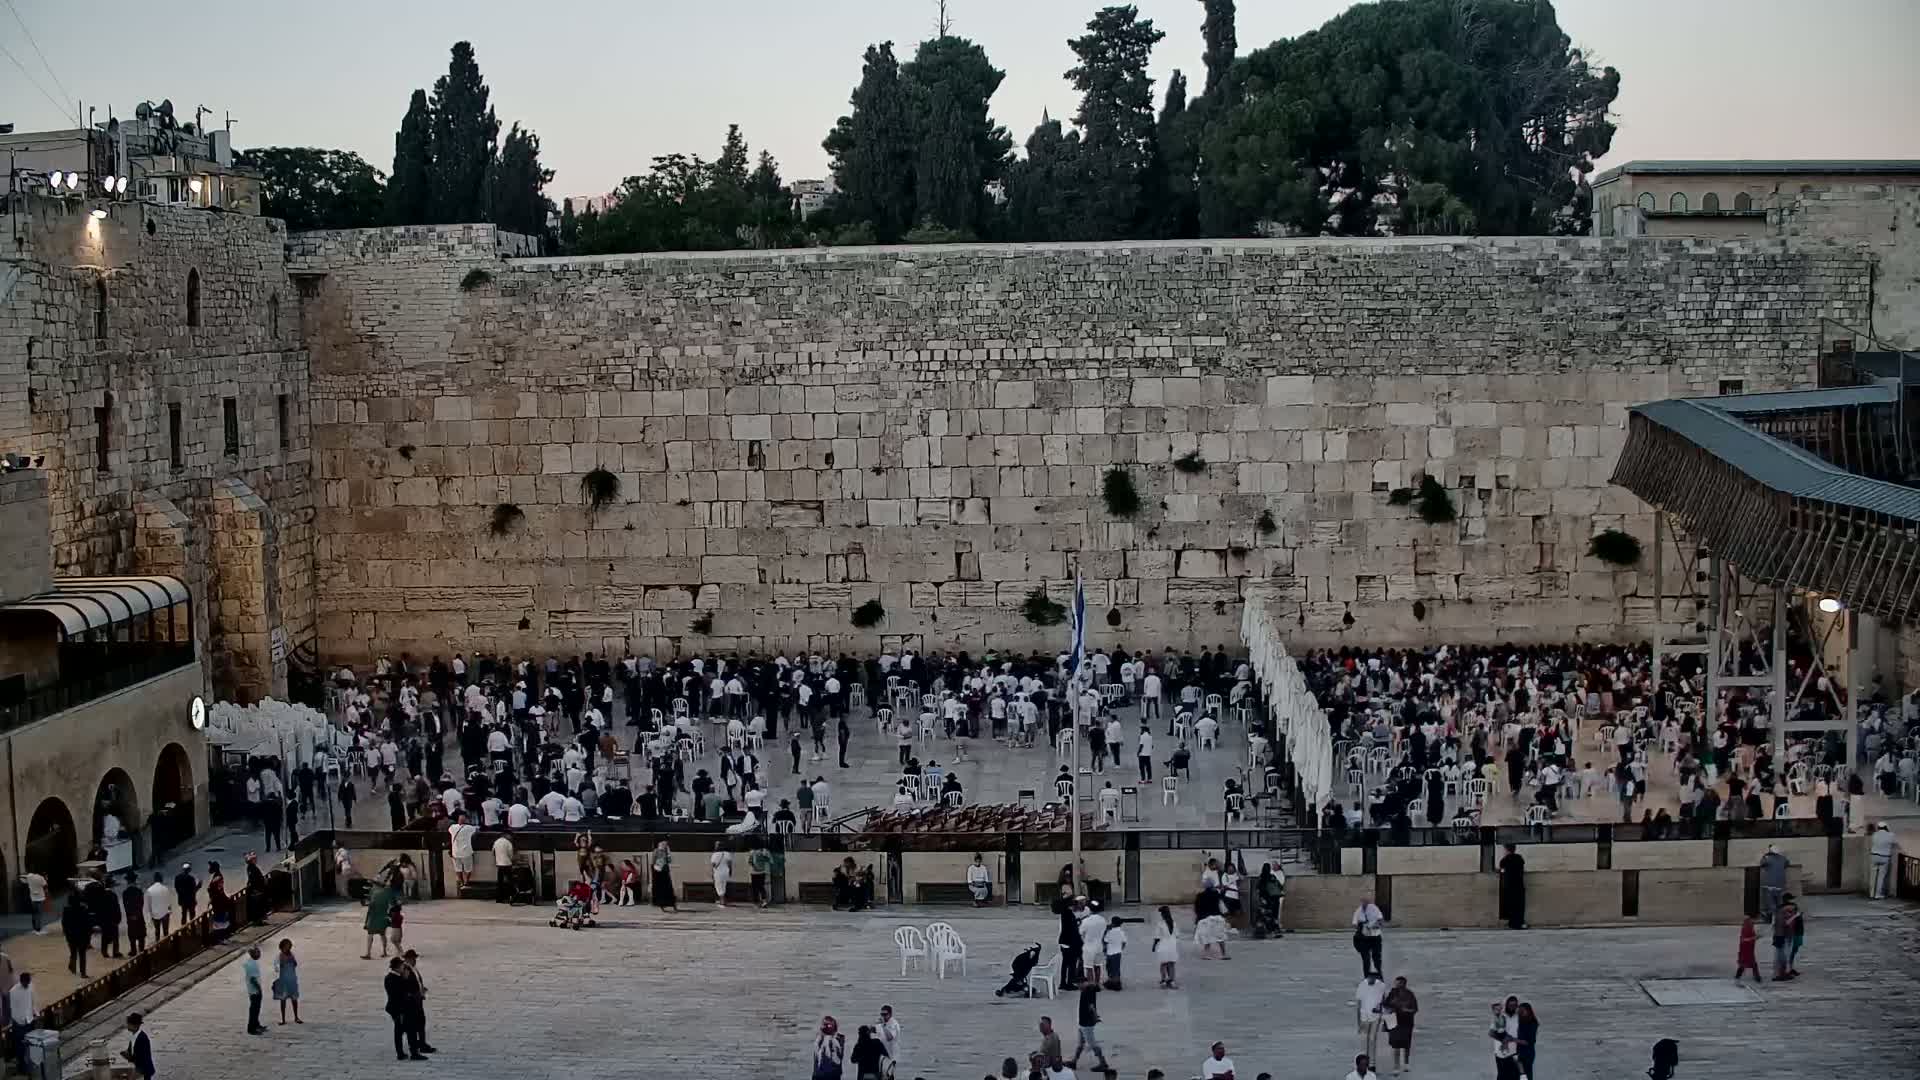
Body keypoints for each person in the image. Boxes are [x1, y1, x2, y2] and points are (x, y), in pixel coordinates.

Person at [383, 957, 426, 1061]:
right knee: (410, 1031)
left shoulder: (391, 977)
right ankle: (413, 1053)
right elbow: (401, 994)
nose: (404, 968)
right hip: (401, 1009)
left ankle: (401, 1053)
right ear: (397, 968)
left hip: (398, 1009)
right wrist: (405, 980)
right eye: (402, 966)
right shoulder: (394, 979)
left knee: (399, 1031)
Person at [1072, 981, 1111, 1073]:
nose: (1078, 985)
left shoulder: (1087, 992)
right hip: (1083, 1023)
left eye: (1079, 983)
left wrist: (1095, 1016)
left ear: (1084, 983)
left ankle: (1103, 1063)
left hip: (1086, 1024)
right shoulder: (1089, 990)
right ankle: (1074, 1061)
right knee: (1080, 1044)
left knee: (1093, 1044)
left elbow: (1091, 1006)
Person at [1383, 976, 1418, 1075]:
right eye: (1396, 983)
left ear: (1404, 984)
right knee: (1396, 1045)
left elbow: (1415, 1009)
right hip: (1394, 1022)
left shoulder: (1410, 995)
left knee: (1406, 1045)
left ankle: (1406, 1063)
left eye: (1399, 983)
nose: (1397, 985)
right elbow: (1385, 1005)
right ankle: (1396, 1066)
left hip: (1407, 1022)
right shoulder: (1392, 993)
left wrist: (1407, 1010)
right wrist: (1391, 1007)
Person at [1356, 971, 1387, 1061]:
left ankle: (1372, 1063)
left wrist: (1382, 1014)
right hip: (1364, 1017)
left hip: (1376, 1016)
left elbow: (1383, 1001)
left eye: (1374, 977)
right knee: (1365, 1040)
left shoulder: (1381, 986)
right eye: (1370, 977)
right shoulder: (1362, 986)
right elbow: (1359, 1004)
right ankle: (1365, 1061)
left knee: (1372, 1039)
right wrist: (1359, 1022)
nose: (1372, 979)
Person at [1352, 895, 1385, 977]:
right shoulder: (1358, 911)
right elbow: (1354, 923)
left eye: (1366, 901)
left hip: (1375, 937)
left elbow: (1380, 920)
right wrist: (1360, 926)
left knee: (1377, 958)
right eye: (1363, 901)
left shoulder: (1374, 908)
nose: (1364, 903)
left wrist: (1375, 925)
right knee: (1366, 959)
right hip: (1364, 938)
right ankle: (1366, 976)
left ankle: (1379, 975)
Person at [6, 972, 33, 1075]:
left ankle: (30, 1065)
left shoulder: (30, 986)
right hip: (18, 1023)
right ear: (22, 981)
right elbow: (13, 1009)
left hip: (29, 1020)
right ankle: (22, 1067)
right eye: (26, 983)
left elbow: (31, 1000)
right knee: (20, 1047)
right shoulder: (13, 992)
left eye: (29, 983)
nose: (28, 985)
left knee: (30, 1045)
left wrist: (35, 1012)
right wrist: (19, 1021)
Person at [61, 891, 92, 977]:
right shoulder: (84, 909)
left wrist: (66, 933)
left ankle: (73, 968)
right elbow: (88, 924)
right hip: (82, 935)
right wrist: (88, 936)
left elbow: (64, 923)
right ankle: (83, 973)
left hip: (71, 936)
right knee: (82, 955)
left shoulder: (66, 910)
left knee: (73, 953)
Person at [273, 938, 302, 1024]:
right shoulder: (279, 956)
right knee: (283, 1000)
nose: (288, 948)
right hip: (283, 981)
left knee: (294, 999)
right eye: (286, 946)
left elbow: (295, 964)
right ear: (281, 947)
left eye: (289, 946)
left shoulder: (291, 955)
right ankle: (283, 1019)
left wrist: (291, 961)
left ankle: (296, 1017)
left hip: (292, 979)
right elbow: (276, 968)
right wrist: (282, 965)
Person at [1771, 893, 1800, 980]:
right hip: (1782, 936)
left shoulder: (1780, 911)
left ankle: (1781, 974)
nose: (1793, 907)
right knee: (1782, 956)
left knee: (1782, 955)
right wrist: (1796, 916)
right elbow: (1785, 923)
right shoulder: (1781, 912)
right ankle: (1779, 975)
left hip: (1782, 936)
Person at [1497, 843, 1526, 930]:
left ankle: (1512, 922)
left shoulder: (1504, 860)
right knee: (1519, 905)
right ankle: (1519, 922)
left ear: (1507, 850)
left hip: (1509, 886)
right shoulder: (1519, 859)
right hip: (1519, 885)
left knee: (1510, 905)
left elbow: (1503, 871)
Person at [121, 1012, 156, 1080]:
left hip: (144, 1070)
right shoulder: (134, 1036)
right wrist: (126, 1053)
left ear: (135, 1025)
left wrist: (129, 1057)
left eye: (129, 1024)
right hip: (138, 1068)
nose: (127, 1026)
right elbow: (132, 1050)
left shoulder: (142, 1038)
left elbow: (141, 1057)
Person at [448, 813, 478, 890]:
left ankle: (461, 882)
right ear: (466, 820)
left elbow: (449, 830)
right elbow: (476, 831)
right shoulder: (469, 828)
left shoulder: (452, 827)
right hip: (466, 852)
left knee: (458, 869)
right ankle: (466, 882)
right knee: (468, 868)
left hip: (455, 852)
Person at [1152, 905, 1179, 989]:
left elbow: (1157, 937)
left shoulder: (1160, 924)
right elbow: (1177, 935)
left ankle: (1163, 980)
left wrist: (1154, 946)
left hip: (1163, 945)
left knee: (1163, 964)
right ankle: (1172, 980)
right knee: (1171, 964)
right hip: (1172, 945)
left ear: (1162, 914)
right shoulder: (1173, 923)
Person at [241, 944, 267, 1035]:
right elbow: (253, 979)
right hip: (254, 990)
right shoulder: (251, 964)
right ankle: (251, 1028)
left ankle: (256, 1024)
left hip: (254, 990)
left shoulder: (252, 962)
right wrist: (259, 989)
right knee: (254, 1009)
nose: (260, 954)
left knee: (256, 1008)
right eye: (258, 952)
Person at [1870, 822, 1899, 900]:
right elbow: (1896, 843)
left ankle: (1872, 893)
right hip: (1884, 857)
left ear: (1878, 827)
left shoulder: (1874, 834)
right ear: (1886, 827)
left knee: (1873, 876)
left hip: (1874, 856)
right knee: (1881, 877)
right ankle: (1878, 894)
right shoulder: (1890, 835)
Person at [121, 873, 147, 955]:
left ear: (127, 881)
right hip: (139, 916)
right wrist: (137, 914)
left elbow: (126, 906)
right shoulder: (139, 891)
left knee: (132, 935)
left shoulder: (125, 893)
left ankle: (133, 950)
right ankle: (142, 950)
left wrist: (131, 915)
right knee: (141, 934)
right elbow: (141, 904)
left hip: (130, 917)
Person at [813, 1015, 846, 1080]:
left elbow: (837, 1059)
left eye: (828, 1025)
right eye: (824, 1025)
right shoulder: (819, 1039)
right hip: (819, 1075)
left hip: (831, 1075)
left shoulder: (837, 1040)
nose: (826, 1027)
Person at [145, 872, 175, 940]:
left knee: (157, 931)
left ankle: (158, 944)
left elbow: (148, 905)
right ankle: (166, 943)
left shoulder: (149, 890)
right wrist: (170, 911)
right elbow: (168, 902)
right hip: (165, 913)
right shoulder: (165, 888)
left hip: (155, 915)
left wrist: (151, 915)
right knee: (166, 931)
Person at [651, 841, 678, 911]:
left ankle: (672, 904)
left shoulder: (666, 852)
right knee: (660, 889)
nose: (664, 846)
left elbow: (669, 861)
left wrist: (668, 853)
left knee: (668, 889)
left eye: (665, 845)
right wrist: (656, 867)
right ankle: (661, 904)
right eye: (663, 845)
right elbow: (653, 861)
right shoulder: (656, 851)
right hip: (658, 872)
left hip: (665, 872)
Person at [1515, 1003, 1540, 1078]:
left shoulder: (1532, 1023)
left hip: (1528, 1053)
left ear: (1528, 1011)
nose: (1521, 1012)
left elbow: (1529, 1042)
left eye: (1522, 1010)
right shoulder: (1521, 1022)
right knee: (1520, 1075)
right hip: (1520, 1052)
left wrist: (1513, 1040)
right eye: (1520, 1011)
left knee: (1527, 1074)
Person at [1735, 915, 1761, 982]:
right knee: (1751, 964)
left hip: (1749, 949)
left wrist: (1756, 937)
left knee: (1744, 963)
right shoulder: (1746, 928)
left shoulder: (1749, 927)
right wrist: (1754, 938)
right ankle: (1757, 977)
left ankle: (1738, 975)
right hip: (1746, 949)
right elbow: (1744, 939)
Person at [876, 1004, 901, 1073]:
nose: (883, 1016)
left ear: (890, 1014)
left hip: (891, 1057)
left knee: (888, 1076)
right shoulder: (881, 1024)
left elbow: (889, 1038)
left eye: (885, 1014)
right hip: (882, 1057)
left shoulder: (894, 1024)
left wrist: (884, 1026)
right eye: (882, 1014)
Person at [709, 843, 734, 908]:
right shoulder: (727, 854)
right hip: (726, 872)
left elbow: (713, 865)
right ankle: (722, 900)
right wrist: (730, 871)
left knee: (718, 886)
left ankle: (722, 902)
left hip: (718, 872)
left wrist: (712, 873)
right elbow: (730, 864)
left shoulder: (714, 854)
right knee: (723, 885)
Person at [749, 841, 772, 909]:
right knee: (761, 887)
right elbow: (769, 860)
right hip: (762, 872)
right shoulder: (765, 851)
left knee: (754, 888)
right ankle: (764, 901)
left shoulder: (752, 852)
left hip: (754, 872)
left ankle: (756, 903)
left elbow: (750, 862)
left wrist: (755, 867)